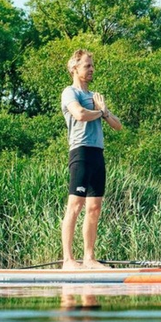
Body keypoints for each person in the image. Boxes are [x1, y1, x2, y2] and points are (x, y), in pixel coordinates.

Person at [60, 49, 122, 270]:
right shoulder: (70, 92)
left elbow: (117, 125)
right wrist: (100, 112)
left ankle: (89, 258)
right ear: (74, 68)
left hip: (97, 152)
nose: (92, 69)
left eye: (92, 65)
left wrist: (105, 112)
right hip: (81, 152)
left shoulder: (96, 97)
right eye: (87, 65)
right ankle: (68, 260)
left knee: (94, 207)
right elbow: (80, 114)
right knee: (75, 205)